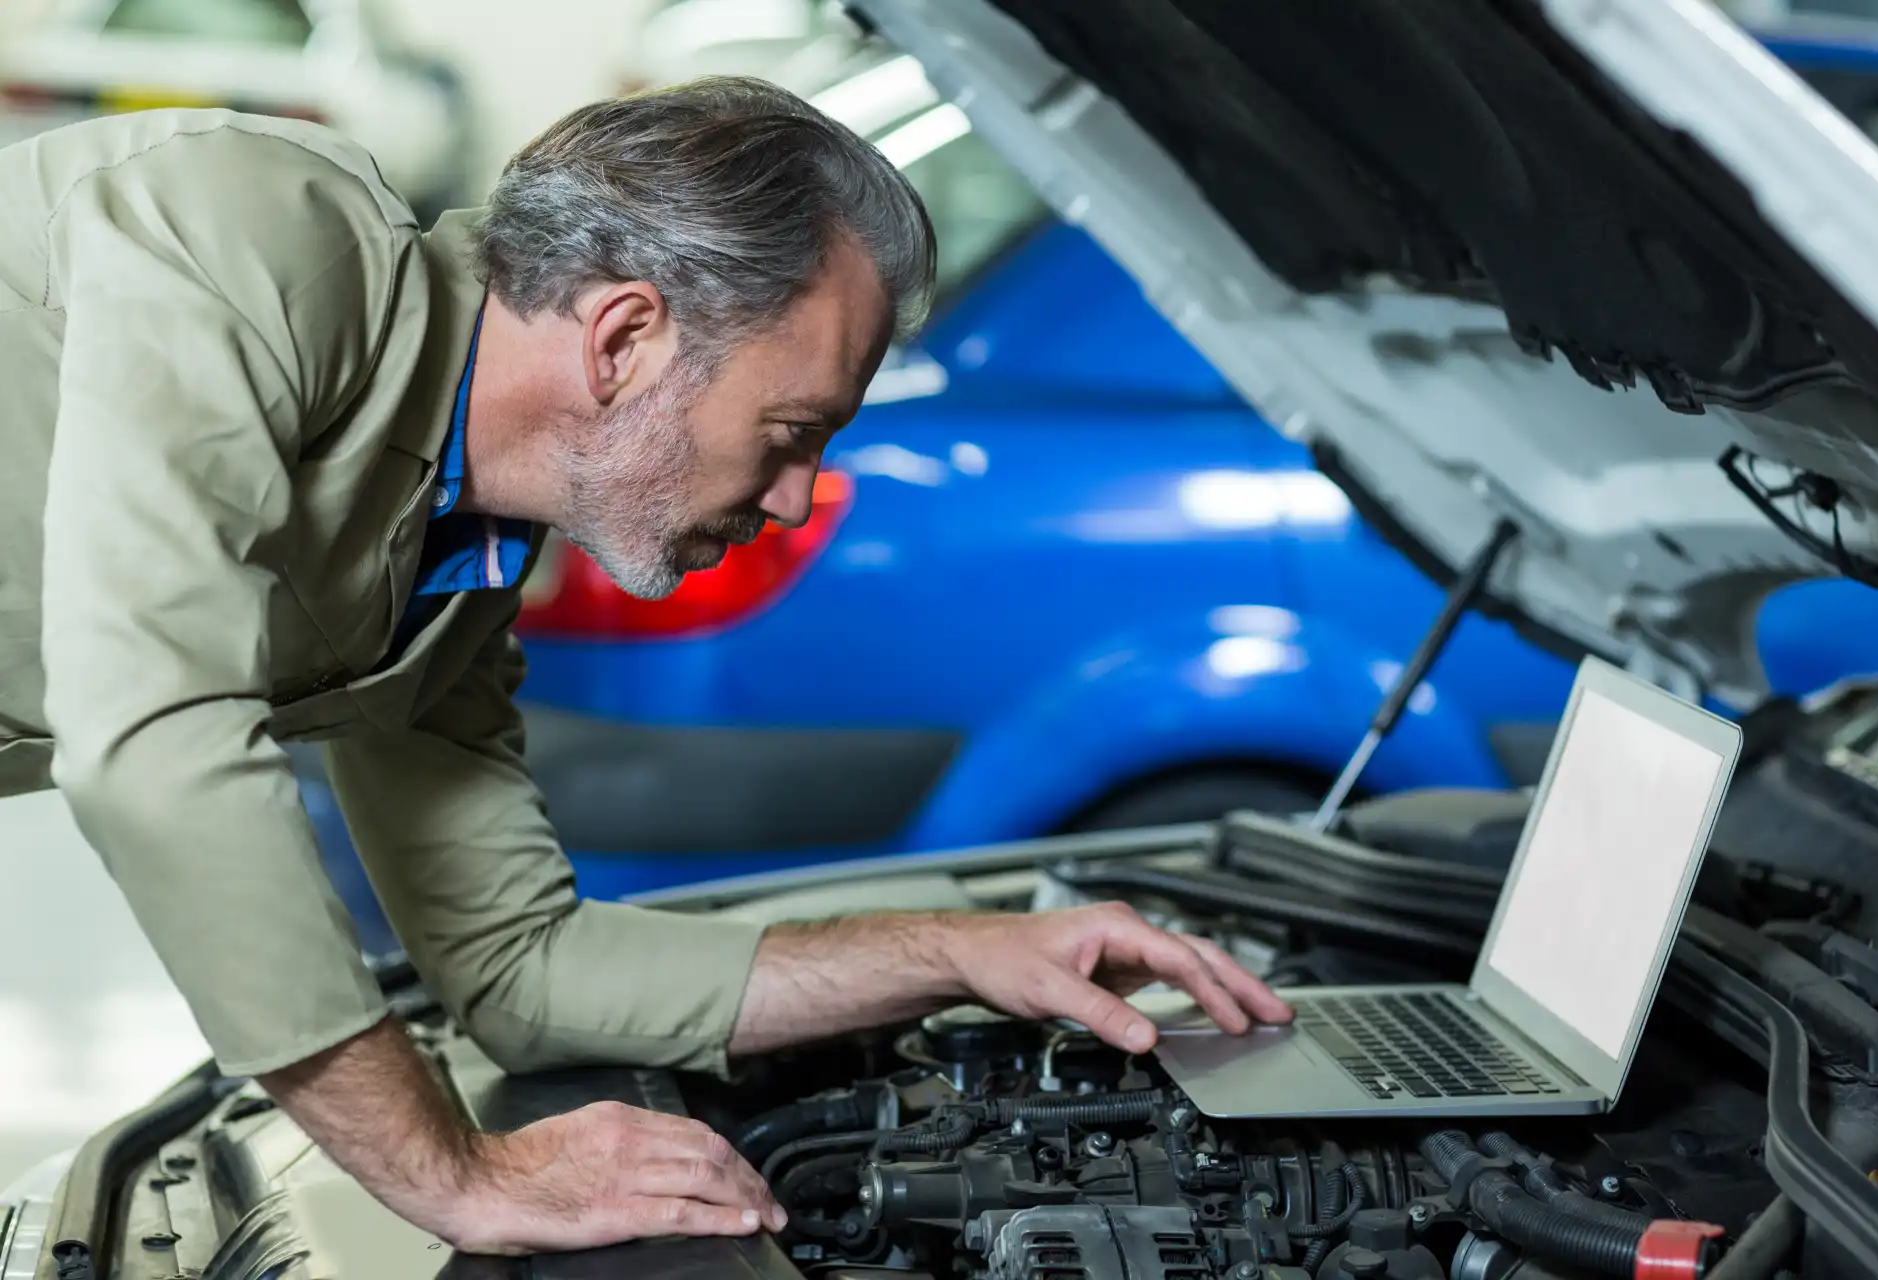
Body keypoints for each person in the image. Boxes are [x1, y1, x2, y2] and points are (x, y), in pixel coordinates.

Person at [0, 78, 1290, 1254]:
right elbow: (155, 740)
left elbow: (524, 971)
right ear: (624, 341)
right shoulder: (259, 236)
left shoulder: (455, 586)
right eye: (793, 433)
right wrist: (455, 1170)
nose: (796, 501)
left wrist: (963, 950)